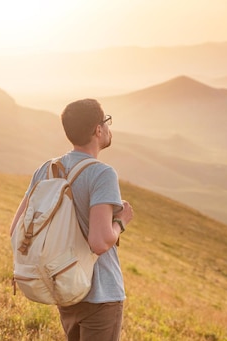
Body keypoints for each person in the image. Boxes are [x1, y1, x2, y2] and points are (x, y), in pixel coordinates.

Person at [9, 98, 134, 341]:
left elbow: (16, 229)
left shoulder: (46, 169)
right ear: (98, 130)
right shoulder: (102, 173)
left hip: (64, 287)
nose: (108, 127)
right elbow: (99, 242)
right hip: (100, 295)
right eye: (106, 121)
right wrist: (121, 222)